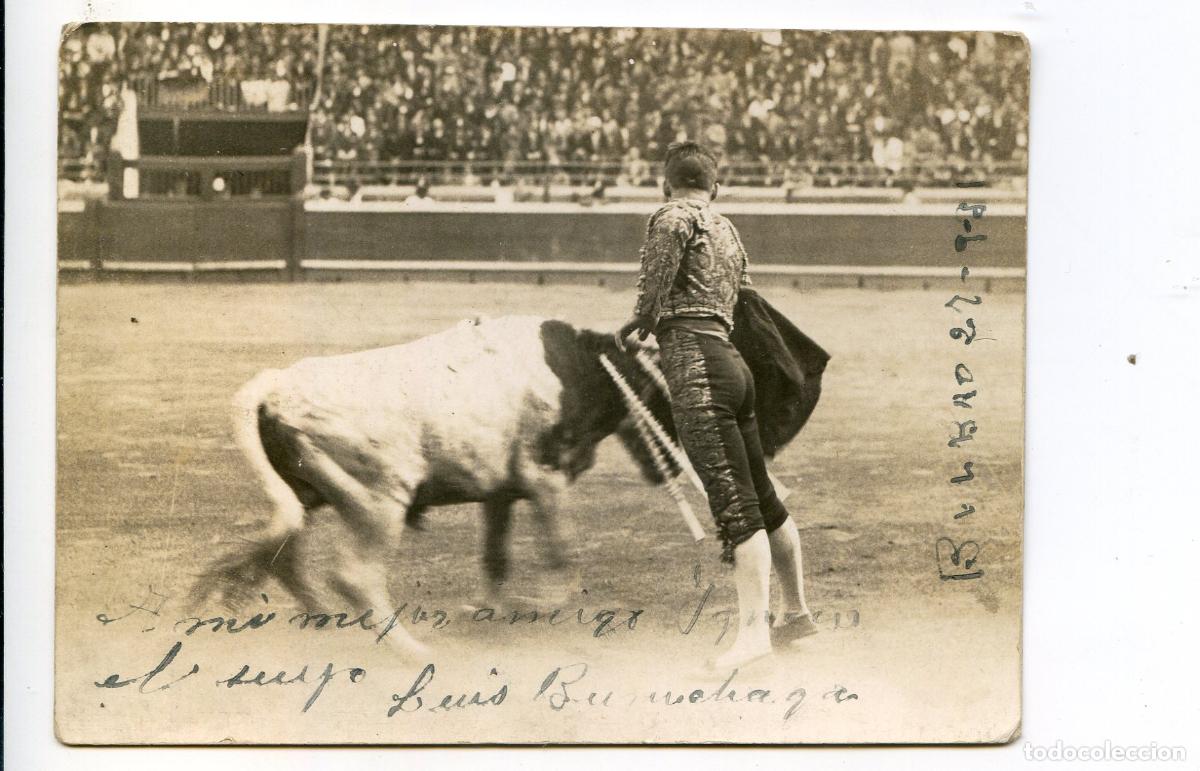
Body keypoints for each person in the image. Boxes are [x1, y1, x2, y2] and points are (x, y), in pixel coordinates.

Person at [617, 141, 817, 669]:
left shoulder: (671, 217)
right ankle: (795, 613)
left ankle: (754, 636)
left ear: (665, 184)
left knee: (735, 506)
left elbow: (654, 289)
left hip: (698, 374)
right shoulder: (727, 229)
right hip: (733, 367)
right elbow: (744, 304)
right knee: (763, 496)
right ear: (716, 187)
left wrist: (638, 325)